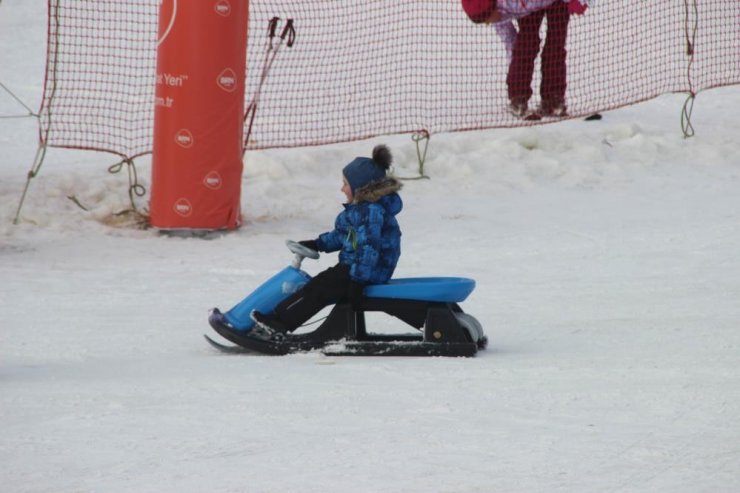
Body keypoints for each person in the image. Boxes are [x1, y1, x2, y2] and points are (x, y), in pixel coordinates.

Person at [250, 144, 403, 339]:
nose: (342, 188)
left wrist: (358, 281)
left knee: (321, 289)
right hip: (357, 268)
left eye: (345, 184)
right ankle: (277, 318)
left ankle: (280, 324)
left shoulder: (370, 212)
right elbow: (343, 236)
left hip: (369, 271)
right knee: (317, 285)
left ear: (360, 187)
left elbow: (368, 249)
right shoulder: (361, 210)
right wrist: (317, 244)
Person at [462, 0, 591, 118]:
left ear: (493, 9)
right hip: (529, 8)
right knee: (527, 42)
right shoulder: (499, 13)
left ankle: (553, 100)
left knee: (555, 44)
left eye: (487, 19)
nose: (487, 24)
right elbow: (510, 41)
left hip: (557, 3)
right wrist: (516, 66)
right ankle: (518, 98)